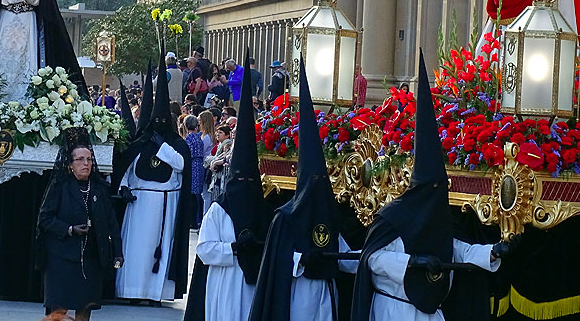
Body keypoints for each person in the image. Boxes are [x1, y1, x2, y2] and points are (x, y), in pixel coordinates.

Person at [351, 52, 515, 321]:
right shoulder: (393, 218)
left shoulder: (437, 218)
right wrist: (411, 262)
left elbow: (458, 250)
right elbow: (373, 259)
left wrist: (493, 251)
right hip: (395, 309)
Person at [249, 60, 360, 321]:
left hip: (325, 293)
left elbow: (343, 255)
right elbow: (277, 261)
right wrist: (302, 261)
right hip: (297, 295)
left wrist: (369, 259)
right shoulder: (285, 218)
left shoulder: (329, 216)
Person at [190, 53, 273, 321]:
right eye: (241, 182)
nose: (245, 187)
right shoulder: (218, 210)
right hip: (224, 284)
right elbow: (204, 249)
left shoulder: (265, 213)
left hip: (253, 287)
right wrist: (234, 250)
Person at [115, 51, 195, 303]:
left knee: (158, 250)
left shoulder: (175, 145)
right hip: (137, 203)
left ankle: (154, 294)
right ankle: (131, 291)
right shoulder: (141, 142)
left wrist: (162, 146)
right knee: (135, 249)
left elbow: (182, 165)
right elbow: (126, 168)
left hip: (165, 204)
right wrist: (125, 187)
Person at [37, 128, 123, 321]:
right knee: (58, 312)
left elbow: (111, 222)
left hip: (91, 259)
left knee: (84, 310)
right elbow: (45, 218)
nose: (86, 164)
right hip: (62, 258)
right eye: (80, 160)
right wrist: (69, 229)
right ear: (70, 165)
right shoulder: (59, 186)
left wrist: (117, 252)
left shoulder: (100, 188)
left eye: (89, 159)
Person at [184, 115, 206, 229]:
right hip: (199, 165)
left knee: (192, 195)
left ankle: (192, 220)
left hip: (192, 165)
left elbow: (188, 153)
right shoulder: (198, 137)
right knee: (196, 195)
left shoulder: (189, 138)